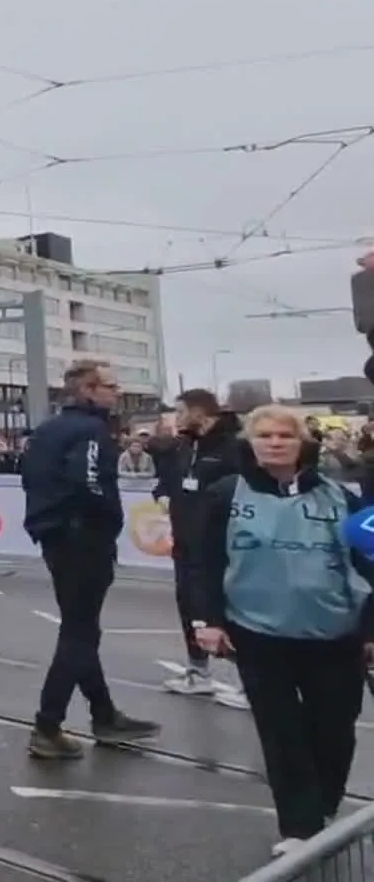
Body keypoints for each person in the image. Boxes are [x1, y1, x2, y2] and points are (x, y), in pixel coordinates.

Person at [180, 405, 373, 857]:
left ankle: (323, 807)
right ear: (251, 442)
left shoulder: (341, 496)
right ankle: (299, 827)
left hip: (334, 634)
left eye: (284, 436)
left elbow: (369, 562)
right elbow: (203, 562)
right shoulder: (226, 494)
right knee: (281, 731)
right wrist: (207, 621)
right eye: (264, 436)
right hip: (259, 634)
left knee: (334, 729)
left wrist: (369, 632)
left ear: (301, 442)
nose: (275, 443)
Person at [20, 359, 159, 759]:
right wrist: (109, 520)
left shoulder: (48, 430)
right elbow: (90, 480)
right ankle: (47, 725)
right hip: (82, 539)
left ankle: (103, 713)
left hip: (56, 536)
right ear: (87, 390)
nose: (117, 393)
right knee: (79, 633)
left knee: (80, 629)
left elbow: (31, 477)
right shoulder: (91, 430)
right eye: (111, 387)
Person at [157, 388, 244, 697]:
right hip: (186, 542)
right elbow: (168, 479)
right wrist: (164, 495)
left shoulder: (233, 446)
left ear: (199, 412)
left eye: (181, 411)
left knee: (228, 609)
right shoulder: (184, 447)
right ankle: (198, 671)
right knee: (190, 605)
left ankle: (251, 681)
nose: (176, 418)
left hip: (221, 544)